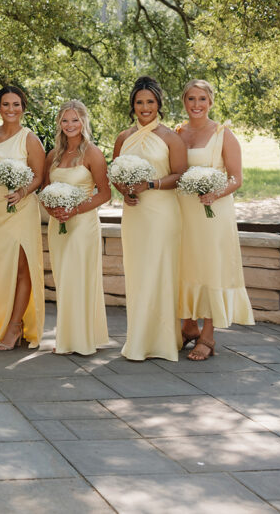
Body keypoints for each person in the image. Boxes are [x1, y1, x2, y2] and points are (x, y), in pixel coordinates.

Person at [176, 79, 254, 361]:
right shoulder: (177, 132)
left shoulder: (223, 134)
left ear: (210, 102)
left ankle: (208, 334)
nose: (196, 105)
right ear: (184, 102)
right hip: (183, 211)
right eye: (191, 99)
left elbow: (237, 178)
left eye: (202, 99)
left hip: (213, 213)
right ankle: (188, 326)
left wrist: (214, 194)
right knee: (184, 264)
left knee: (210, 267)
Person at [112, 76, 187, 362]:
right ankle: (139, 339)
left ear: (159, 104)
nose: (145, 107)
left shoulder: (170, 137)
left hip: (162, 214)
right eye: (140, 102)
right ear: (133, 105)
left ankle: (165, 340)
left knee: (160, 272)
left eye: (150, 102)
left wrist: (151, 185)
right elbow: (116, 173)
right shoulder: (123, 137)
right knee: (138, 274)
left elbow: (179, 175)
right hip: (134, 214)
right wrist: (125, 192)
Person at [42, 100, 110, 355]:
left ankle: (82, 339)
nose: (70, 125)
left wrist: (75, 209)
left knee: (79, 278)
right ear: (59, 124)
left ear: (83, 121)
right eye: (65, 120)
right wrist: (53, 211)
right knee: (64, 279)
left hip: (83, 225)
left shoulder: (92, 153)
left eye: (74, 120)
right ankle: (69, 336)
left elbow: (104, 194)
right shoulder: (54, 155)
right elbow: (45, 192)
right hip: (58, 225)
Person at [0, 85, 45, 350]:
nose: (11, 109)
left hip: (21, 209)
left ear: (23, 108)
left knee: (22, 266)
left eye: (16, 104)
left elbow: (39, 176)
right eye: (6, 104)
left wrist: (21, 191)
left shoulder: (29, 139)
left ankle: (15, 325)